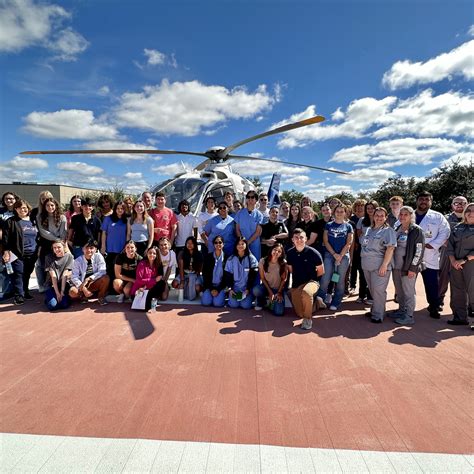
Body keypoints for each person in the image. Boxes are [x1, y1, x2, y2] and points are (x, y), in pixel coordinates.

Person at [415, 191, 450, 319]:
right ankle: (405, 306)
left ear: (431, 201)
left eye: (427, 199)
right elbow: (399, 228)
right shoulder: (408, 214)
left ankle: (434, 307)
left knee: (432, 283)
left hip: (430, 254)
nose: (424, 201)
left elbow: (445, 232)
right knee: (408, 283)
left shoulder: (438, 216)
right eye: (421, 199)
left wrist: (434, 244)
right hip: (411, 255)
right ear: (417, 200)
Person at [389, 206, 425, 325]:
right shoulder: (398, 228)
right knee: (400, 291)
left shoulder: (416, 230)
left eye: (406, 214)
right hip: (396, 267)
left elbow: (419, 251)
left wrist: (413, 268)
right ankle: (401, 310)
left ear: (411, 216)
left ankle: (409, 316)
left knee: (408, 292)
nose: (403, 217)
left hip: (408, 268)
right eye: (401, 214)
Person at [360, 207, 397, 323]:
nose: (379, 217)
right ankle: (375, 309)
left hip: (380, 265)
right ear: (373, 216)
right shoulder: (368, 230)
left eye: (382, 215)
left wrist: (384, 265)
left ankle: (378, 314)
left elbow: (390, 248)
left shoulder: (388, 231)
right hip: (367, 265)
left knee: (378, 290)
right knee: (372, 289)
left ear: (386, 217)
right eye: (377, 215)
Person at [315, 204, 353, 311]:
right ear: (334, 212)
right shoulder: (329, 225)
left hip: (343, 256)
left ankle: (336, 302)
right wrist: (334, 254)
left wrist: (340, 255)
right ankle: (320, 300)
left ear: (345, 213)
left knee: (340, 281)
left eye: (342, 211)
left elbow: (349, 243)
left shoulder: (348, 226)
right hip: (329, 255)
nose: (339, 213)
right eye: (337, 211)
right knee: (325, 279)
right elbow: (325, 241)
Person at [286, 228, 324, 330]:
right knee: (299, 313)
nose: (299, 240)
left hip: (312, 282)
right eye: (296, 238)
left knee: (306, 293)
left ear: (306, 239)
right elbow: (290, 270)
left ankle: (308, 319)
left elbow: (321, 271)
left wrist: (314, 282)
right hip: (297, 283)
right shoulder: (289, 253)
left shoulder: (314, 253)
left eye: (301, 237)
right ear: (292, 240)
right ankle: (317, 303)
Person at [2, 199, 38, 304]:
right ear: (16, 209)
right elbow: (6, 238)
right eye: (21, 208)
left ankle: (25, 292)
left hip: (32, 253)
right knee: (18, 273)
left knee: (27, 273)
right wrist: (6, 251)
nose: (23, 209)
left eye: (25, 207)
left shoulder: (33, 220)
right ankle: (18, 295)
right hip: (17, 253)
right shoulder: (11, 221)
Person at [446, 203, 474, 326]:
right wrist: (452, 261)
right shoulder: (458, 227)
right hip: (456, 264)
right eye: (469, 210)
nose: (471, 213)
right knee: (457, 290)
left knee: (473, 291)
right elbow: (450, 245)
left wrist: (464, 260)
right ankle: (460, 317)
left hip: (470, 264)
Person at [438, 196, 468, 309]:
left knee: (465, 279)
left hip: (464, 254)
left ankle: (466, 305)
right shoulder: (445, 219)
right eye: (456, 203)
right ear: (452, 205)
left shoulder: (471, 218)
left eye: (462, 203)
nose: (459, 205)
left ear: (467, 204)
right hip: (447, 252)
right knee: (443, 277)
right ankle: (438, 300)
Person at [69, 239, 109, 305]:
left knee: (106, 278)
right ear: (82, 249)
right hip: (82, 284)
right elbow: (74, 277)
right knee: (72, 292)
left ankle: (101, 297)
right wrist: (83, 288)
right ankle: (83, 296)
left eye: (91, 248)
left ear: (95, 249)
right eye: (86, 248)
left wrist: (89, 278)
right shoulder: (77, 261)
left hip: (93, 282)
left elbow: (102, 271)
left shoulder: (99, 257)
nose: (89, 250)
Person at [253, 243, 288, 315]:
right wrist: (270, 292)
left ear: (281, 254)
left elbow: (284, 279)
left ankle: (270, 303)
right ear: (271, 250)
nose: (276, 252)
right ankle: (261, 301)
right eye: (275, 249)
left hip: (278, 289)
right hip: (266, 287)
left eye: (279, 251)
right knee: (256, 290)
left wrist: (279, 293)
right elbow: (262, 278)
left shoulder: (283, 263)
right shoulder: (263, 261)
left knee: (279, 312)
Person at [224, 237, 259, 309]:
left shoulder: (251, 259)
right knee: (234, 305)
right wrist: (230, 289)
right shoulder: (231, 259)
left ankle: (250, 297)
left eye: (242, 244)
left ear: (246, 245)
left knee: (245, 305)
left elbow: (253, 276)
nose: (240, 246)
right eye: (238, 244)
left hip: (247, 289)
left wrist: (248, 289)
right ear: (235, 246)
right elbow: (228, 276)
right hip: (235, 288)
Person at [37, 197, 67, 277]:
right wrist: (57, 239)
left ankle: (56, 286)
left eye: (52, 205)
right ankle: (45, 287)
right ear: (44, 207)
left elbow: (63, 232)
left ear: (56, 206)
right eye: (47, 205)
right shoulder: (40, 217)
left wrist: (61, 243)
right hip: (46, 244)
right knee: (45, 267)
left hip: (59, 245)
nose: (50, 207)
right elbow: (43, 232)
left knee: (58, 267)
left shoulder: (62, 217)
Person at [356, 200, 378, 304]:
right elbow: (359, 234)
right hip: (363, 249)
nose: (370, 210)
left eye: (372, 208)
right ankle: (361, 295)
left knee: (373, 273)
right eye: (368, 208)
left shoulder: (379, 219)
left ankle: (370, 296)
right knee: (362, 272)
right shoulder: (361, 220)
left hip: (375, 251)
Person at [101, 201, 128, 286]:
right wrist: (103, 246)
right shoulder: (108, 219)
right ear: (115, 209)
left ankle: (118, 288)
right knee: (110, 270)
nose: (120, 210)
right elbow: (104, 233)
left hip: (122, 249)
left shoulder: (126, 220)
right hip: (110, 249)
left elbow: (128, 234)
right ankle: (109, 288)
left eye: (122, 209)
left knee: (120, 271)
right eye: (118, 208)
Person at [44, 240, 73, 311]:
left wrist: (62, 292)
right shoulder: (48, 257)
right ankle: (49, 298)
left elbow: (65, 274)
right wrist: (57, 293)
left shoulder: (69, 257)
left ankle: (63, 297)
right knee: (52, 306)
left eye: (59, 247)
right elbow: (53, 276)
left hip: (63, 284)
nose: (56, 249)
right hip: (52, 285)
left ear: (64, 247)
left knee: (64, 305)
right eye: (54, 248)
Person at [234, 191, 263, 261]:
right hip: (241, 245)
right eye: (248, 197)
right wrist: (242, 243)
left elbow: (258, 232)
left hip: (255, 244)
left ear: (256, 200)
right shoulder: (240, 213)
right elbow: (237, 229)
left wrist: (247, 243)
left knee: (255, 265)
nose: (250, 199)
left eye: (252, 197)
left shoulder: (259, 215)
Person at [172, 236, 203, 300]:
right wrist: (182, 280)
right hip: (184, 274)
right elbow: (180, 268)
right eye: (188, 243)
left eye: (191, 243)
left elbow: (199, 269)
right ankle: (185, 289)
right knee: (174, 284)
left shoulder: (199, 254)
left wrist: (192, 279)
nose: (189, 245)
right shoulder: (182, 253)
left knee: (197, 287)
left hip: (194, 275)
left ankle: (194, 292)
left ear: (195, 244)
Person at [201, 236, 227, 307]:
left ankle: (223, 296)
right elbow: (205, 274)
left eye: (220, 242)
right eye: (216, 242)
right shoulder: (208, 257)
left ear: (223, 244)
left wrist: (218, 289)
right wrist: (211, 289)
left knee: (217, 304)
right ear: (213, 244)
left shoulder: (227, 258)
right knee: (206, 303)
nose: (218, 244)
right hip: (210, 286)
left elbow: (227, 277)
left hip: (221, 286)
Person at [349, 199, 367, 295]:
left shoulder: (368, 219)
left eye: (362, 206)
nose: (360, 208)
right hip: (353, 247)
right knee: (353, 267)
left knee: (363, 268)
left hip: (364, 247)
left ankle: (363, 289)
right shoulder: (352, 219)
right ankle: (352, 285)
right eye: (357, 206)